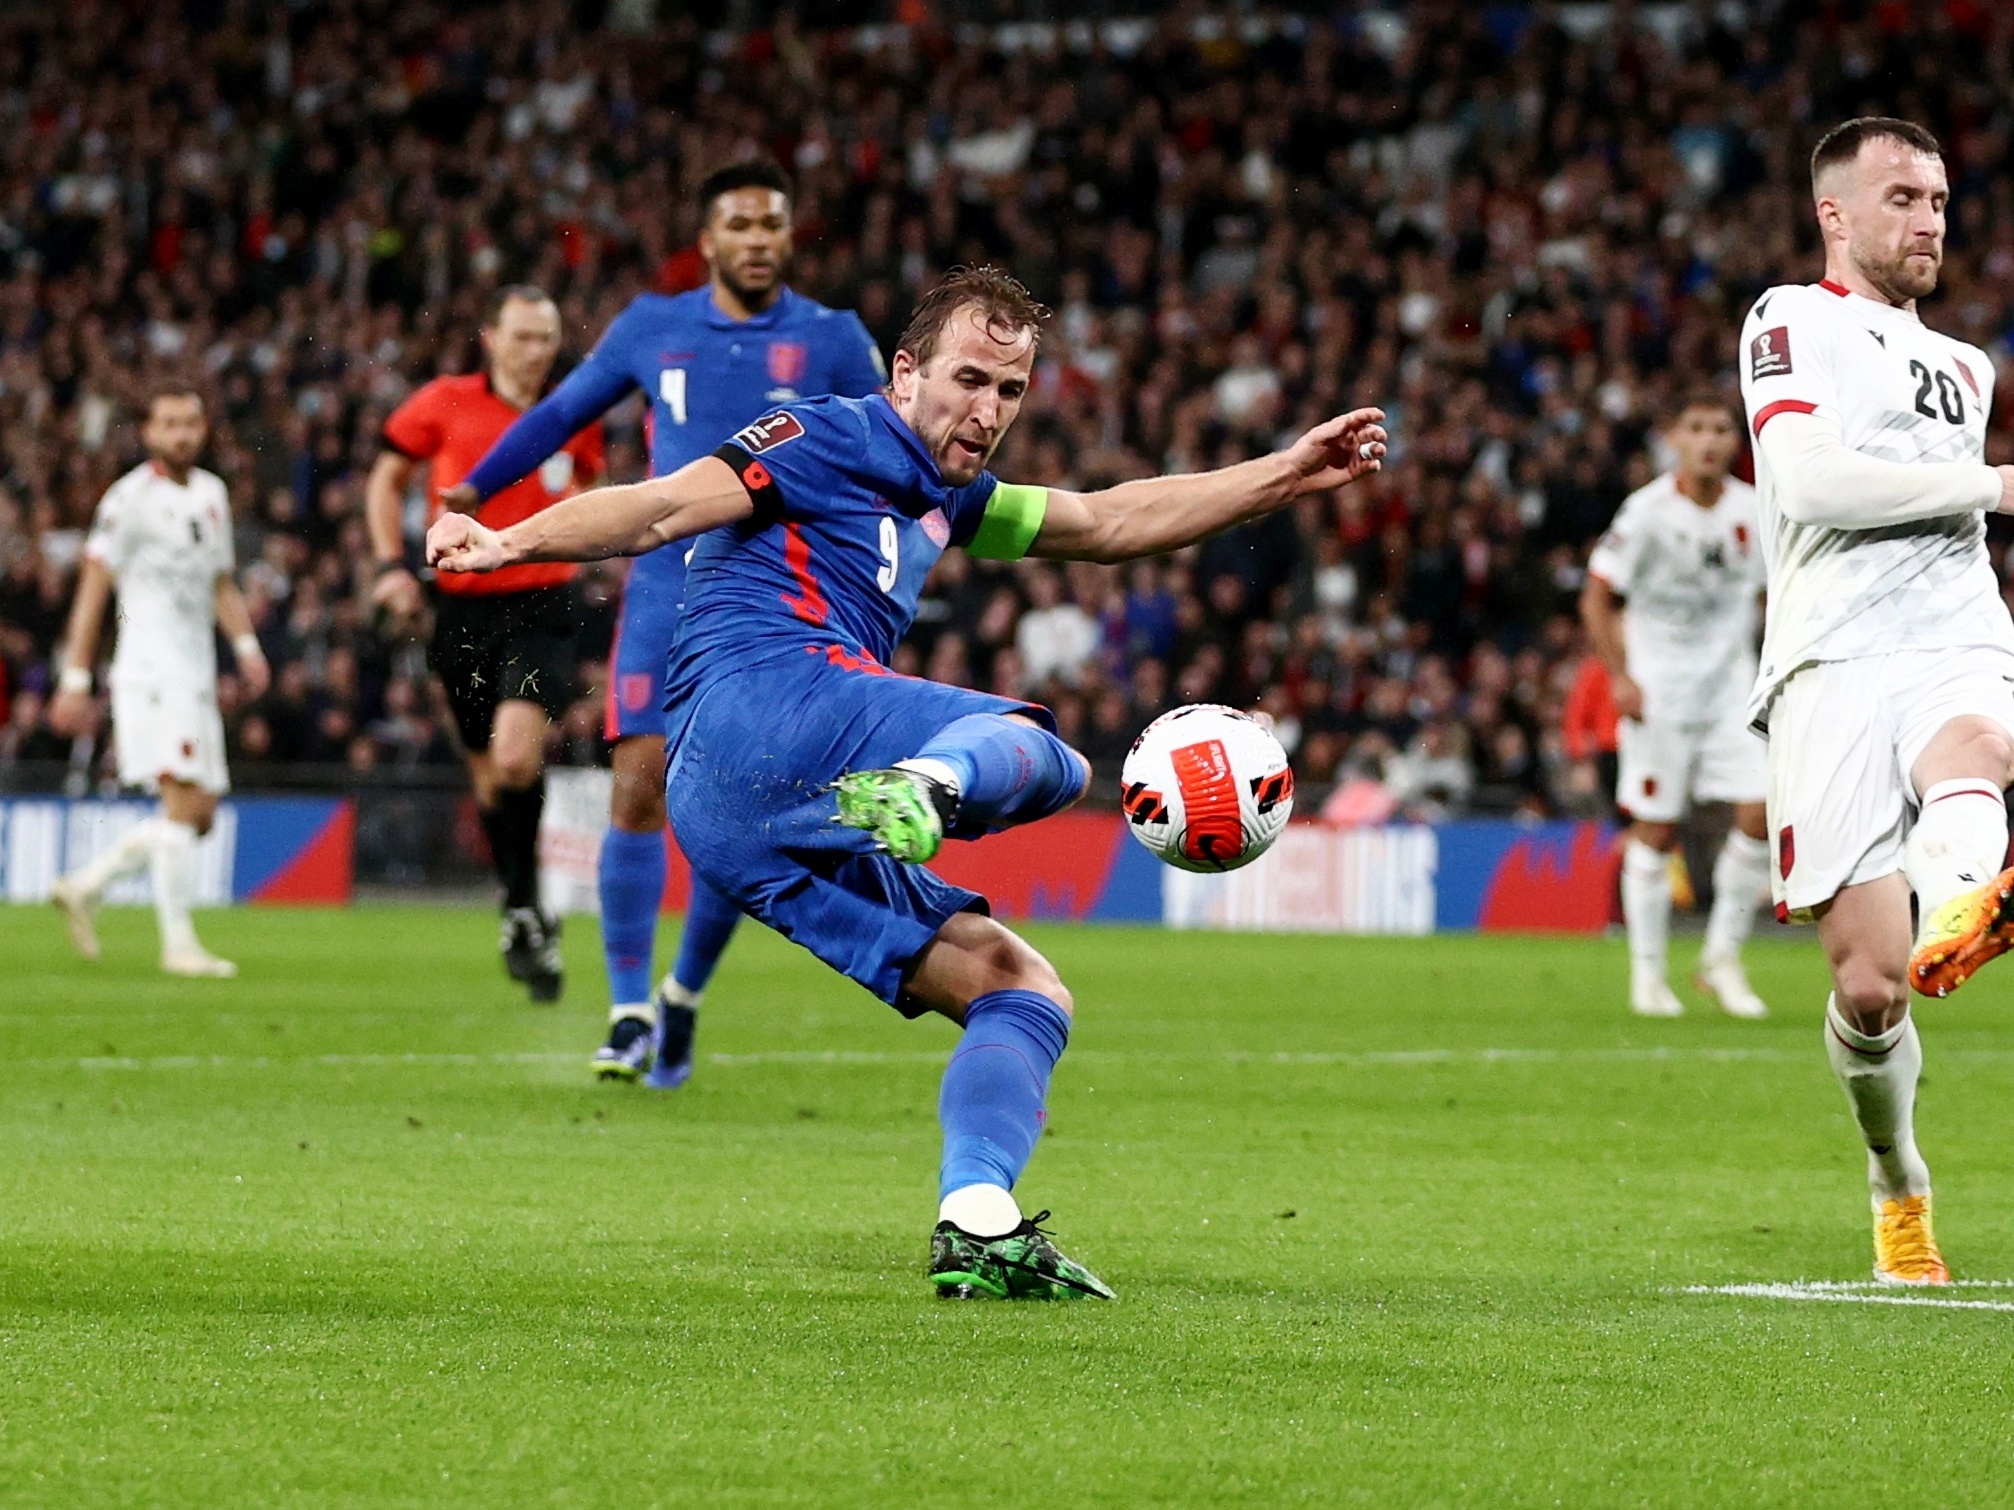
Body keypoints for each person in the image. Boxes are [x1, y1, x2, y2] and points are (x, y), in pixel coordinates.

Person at [426, 266, 1387, 1301]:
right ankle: (927, 785)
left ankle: (975, 1220)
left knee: (1020, 991)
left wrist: (1283, 474)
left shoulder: (947, 496)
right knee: (1042, 750)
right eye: (969, 378)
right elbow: (663, 507)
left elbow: (1109, 523)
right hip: (768, 697)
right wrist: (508, 540)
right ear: (905, 370)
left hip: (744, 816)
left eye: (1010, 393)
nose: (987, 411)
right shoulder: (827, 435)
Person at [447, 160, 884, 1084]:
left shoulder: (836, 340)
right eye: (740, 224)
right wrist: (474, 493)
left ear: (788, 235)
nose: (758, 239)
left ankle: (684, 992)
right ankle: (630, 1010)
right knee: (638, 788)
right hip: (665, 588)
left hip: (783, 602)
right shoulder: (654, 324)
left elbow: (893, 450)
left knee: (740, 811)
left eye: (773, 223)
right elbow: (563, 412)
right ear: (709, 237)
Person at [1740, 117, 2014, 1287]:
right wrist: (1993, 482)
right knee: (1866, 985)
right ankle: (1898, 1177)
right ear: (1835, 216)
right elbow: (1803, 480)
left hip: (1951, 630)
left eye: (1941, 199)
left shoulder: (1967, 365)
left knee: (1974, 750)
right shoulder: (1788, 319)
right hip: (1827, 659)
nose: (1929, 218)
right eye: (1902, 196)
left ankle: (1969, 896)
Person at [367, 285, 605, 1003]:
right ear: (490, 338)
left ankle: (526, 906)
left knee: (514, 752)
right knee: (489, 778)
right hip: (458, 609)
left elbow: (590, 499)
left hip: (540, 604)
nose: (538, 352)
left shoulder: (575, 414)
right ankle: (524, 908)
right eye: (525, 337)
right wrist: (388, 567)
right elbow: (386, 479)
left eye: (549, 338)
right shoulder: (442, 401)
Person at [47, 383, 270, 977]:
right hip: (150, 669)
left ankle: (87, 885)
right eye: (168, 423)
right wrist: (74, 676)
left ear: (203, 428)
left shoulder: (212, 494)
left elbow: (221, 581)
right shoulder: (128, 499)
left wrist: (246, 646)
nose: (181, 434)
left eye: (190, 423)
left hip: (195, 670)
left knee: (198, 815)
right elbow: (94, 586)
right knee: (179, 800)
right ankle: (179, 946)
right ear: (148, 432)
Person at [1581, 391, 1771, 1020]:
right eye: (1697, 427)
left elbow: (1782, 592)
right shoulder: (1646, 513)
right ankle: (1648, 975)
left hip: (1731, 688)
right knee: (1656, 827)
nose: (1710, 439)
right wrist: (1620, 675)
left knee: (1761, 813)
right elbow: (1597, 596)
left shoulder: (1757, 510)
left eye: (1721, 428)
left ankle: (1721, 958)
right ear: (1675, 438)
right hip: (1660, 690)